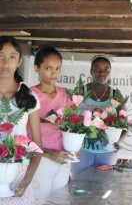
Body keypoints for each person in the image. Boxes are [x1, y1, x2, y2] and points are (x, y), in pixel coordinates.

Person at [27, 46, 73, 204]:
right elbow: (21, 137)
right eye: (48, 68)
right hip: (40, 160)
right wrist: (47, 153)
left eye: (58, 68)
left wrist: (75, 148)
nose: (54, 73)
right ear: (36, 68)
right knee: (41, 200)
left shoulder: (65, 94)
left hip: (63, 159)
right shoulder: (28, 95)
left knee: (60, 200)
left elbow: (73, 126)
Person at [0, 36, 42, 205]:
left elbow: (38, 147)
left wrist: (27, 180)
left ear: (18, 61)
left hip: (18, 175)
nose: (5, 62)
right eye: (0, 55)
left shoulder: (29, 97)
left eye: (12, 57)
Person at [71, 55, 127, 178]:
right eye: (97, 69)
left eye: (106, 69)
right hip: (83, 150)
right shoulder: (81, 92)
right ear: (91, 71)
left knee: (103, 189)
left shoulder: (115, 96)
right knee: (79, 186)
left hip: (106, 152)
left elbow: (125, 123)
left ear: (110, 72)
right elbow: (70, 118)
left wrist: (117, 141)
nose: (102, 73)